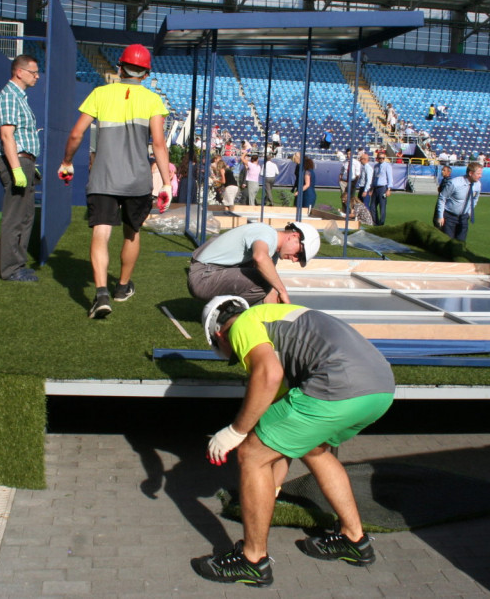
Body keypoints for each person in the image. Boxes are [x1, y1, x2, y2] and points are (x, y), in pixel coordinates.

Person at [191, 297, 395, 588]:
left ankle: (252, 561)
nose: (234, 356)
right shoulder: (277, 320)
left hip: (338, 383)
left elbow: (269, 375)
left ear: (219, 333)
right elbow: (281, 437)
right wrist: (270, 488)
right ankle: (354, 539)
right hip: (380, 388)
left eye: (225, 351)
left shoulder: (242, 325)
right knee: (313, 450)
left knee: (250, 454)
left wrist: (235, 432)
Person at [61, 44, 171, 318]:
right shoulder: (153, 100)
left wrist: (67, 162)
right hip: (137, 180)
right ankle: (122, 287)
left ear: (119, 68)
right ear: (145, 74)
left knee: (101, 233)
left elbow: (76, 134)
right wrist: (167, 183)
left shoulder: (99, 94)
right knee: (132, 232)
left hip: (103, 179)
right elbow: (158, 143)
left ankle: (101, 295)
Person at [0, 54, 42, 283]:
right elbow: (6, 136)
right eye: (33, 72)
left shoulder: (18, 97)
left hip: (25, 161)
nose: (37, 76)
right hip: (17, 161)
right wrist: (16, 169)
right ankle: (10, 268)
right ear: (19, 72)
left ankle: (18, 264)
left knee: (25, 216)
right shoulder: (9, 97)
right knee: (15, 217)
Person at [188, 223, 320, 304]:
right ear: (294, 236)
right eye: (299, 254)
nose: (295, 259)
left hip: (208, 272)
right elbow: (260, 258)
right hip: (203, 276)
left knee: (266, 280)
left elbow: (270, 293)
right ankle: (226, 317)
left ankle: (228, 312)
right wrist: (282, 290)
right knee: (264, 279)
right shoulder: (266, 233)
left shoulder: (272, 251)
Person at [435, 162, 482, 242]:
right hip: (449, 216)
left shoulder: (477, 185)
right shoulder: (454, 183)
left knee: (460, 243)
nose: (480, 176)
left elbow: (475, 199)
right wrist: (440, 216)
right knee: (448, 242)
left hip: (463, 218)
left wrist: (469, 211)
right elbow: (442, 198)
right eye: (478, 174)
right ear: (470, 173)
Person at [372, 152, 391, 225]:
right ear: (377, 158)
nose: (382, 159)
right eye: (380, 158)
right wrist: (371, 188)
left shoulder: (387, 166)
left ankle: (381, 222)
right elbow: (374, 177)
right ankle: (375, 222)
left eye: (383, 158)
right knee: (372, 207)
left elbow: (390, 178)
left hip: (383, 187)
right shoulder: (376, 166)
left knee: (382, 206)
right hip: (375, 187)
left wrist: (389, 189)